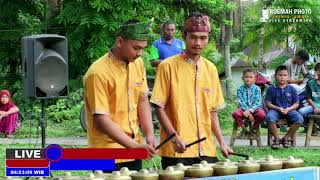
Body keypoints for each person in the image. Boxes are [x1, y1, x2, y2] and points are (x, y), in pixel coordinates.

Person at [150, 13, 233, 169]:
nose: (198, 43)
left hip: (207, 149)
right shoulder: (166, 67)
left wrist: (222, 143)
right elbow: (159, 107)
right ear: (183, 36)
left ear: (208, 37)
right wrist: (174, 138)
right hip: (177, 150)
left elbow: (212, 111)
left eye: (203, 38)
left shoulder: (211, 69)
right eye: (193, 37)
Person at [83, 19, 156, 171]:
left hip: (134, 150)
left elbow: (142, 100)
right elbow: (101, 119)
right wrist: (134, 146)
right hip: (105, 152)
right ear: (120, 41)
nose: (139, 53)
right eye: (136, 48)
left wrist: (149, 133)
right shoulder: (97, 73)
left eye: (142, 48)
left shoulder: (138, 63)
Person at [265, 65, 303, 149]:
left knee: (299, 119)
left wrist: (289, 108)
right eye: (280, 75)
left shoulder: (292, 89)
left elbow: (296, 103)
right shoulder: (271, 89)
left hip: (289, 110)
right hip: (275, 110)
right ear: (275, 76)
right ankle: (277, 139)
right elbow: (268, 103)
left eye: (285, 75)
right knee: (269, 117)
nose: (282, 77)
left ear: (288, 77)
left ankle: (286, 138)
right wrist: (278, 108)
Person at [232, 68, 266, 139]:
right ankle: (245, 131)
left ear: (254, 79)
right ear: (242, 78)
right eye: (246, 77)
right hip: (243, 109)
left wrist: (250, 111)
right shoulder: (240, 89)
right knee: (235, 114)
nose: (248, 79)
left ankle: (252, 129)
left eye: (251, 77)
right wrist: (248, 112)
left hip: (255, 109)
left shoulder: (257, 89)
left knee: (262, 114)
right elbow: (241, 102)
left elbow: (258, 102)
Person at [299, 63, 320, 136]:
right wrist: (315, 107)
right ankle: (313, 128)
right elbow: (308, 98)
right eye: (318, 71)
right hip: (314, 106)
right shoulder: (311, 83)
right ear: (317, 72)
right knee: (301, 112)